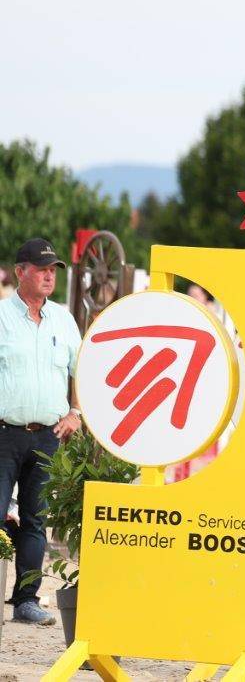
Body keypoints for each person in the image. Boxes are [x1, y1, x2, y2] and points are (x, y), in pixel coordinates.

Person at [0, 239, 84, 625]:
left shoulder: (64, 320)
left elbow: (80, 370)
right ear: (21, 272)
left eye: (53, 270)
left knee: (36, 519)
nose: (49, 276)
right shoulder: (2, 316)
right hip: (4, 433)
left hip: (49, 436)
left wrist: (76, 413)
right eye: (41, 269)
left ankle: (26, 602)